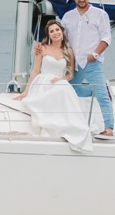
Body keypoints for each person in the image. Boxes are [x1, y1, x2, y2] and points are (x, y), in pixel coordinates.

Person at [20, 17, 93, 152]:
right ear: (48, 35)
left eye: (57, 30)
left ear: (62, 31)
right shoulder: (42, 48)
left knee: (63, 89)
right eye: (52, 31)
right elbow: (35, 70)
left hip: (59, 82)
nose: (55, 33)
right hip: (43, 82)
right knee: (57, 91)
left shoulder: (68, 50)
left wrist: (62, 79)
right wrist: (25, 91)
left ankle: (68, 128)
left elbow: (70, 73)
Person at [61, 0, 114, 136]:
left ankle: (109, 128)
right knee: (68, 91)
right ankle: (65, 124)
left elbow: (106, 38)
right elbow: (61, 38)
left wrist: (95, 54)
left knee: (102, 97)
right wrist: (43, 48)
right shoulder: (67, 17)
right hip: (73, 63)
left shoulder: (100, 14)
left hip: (92, 62)